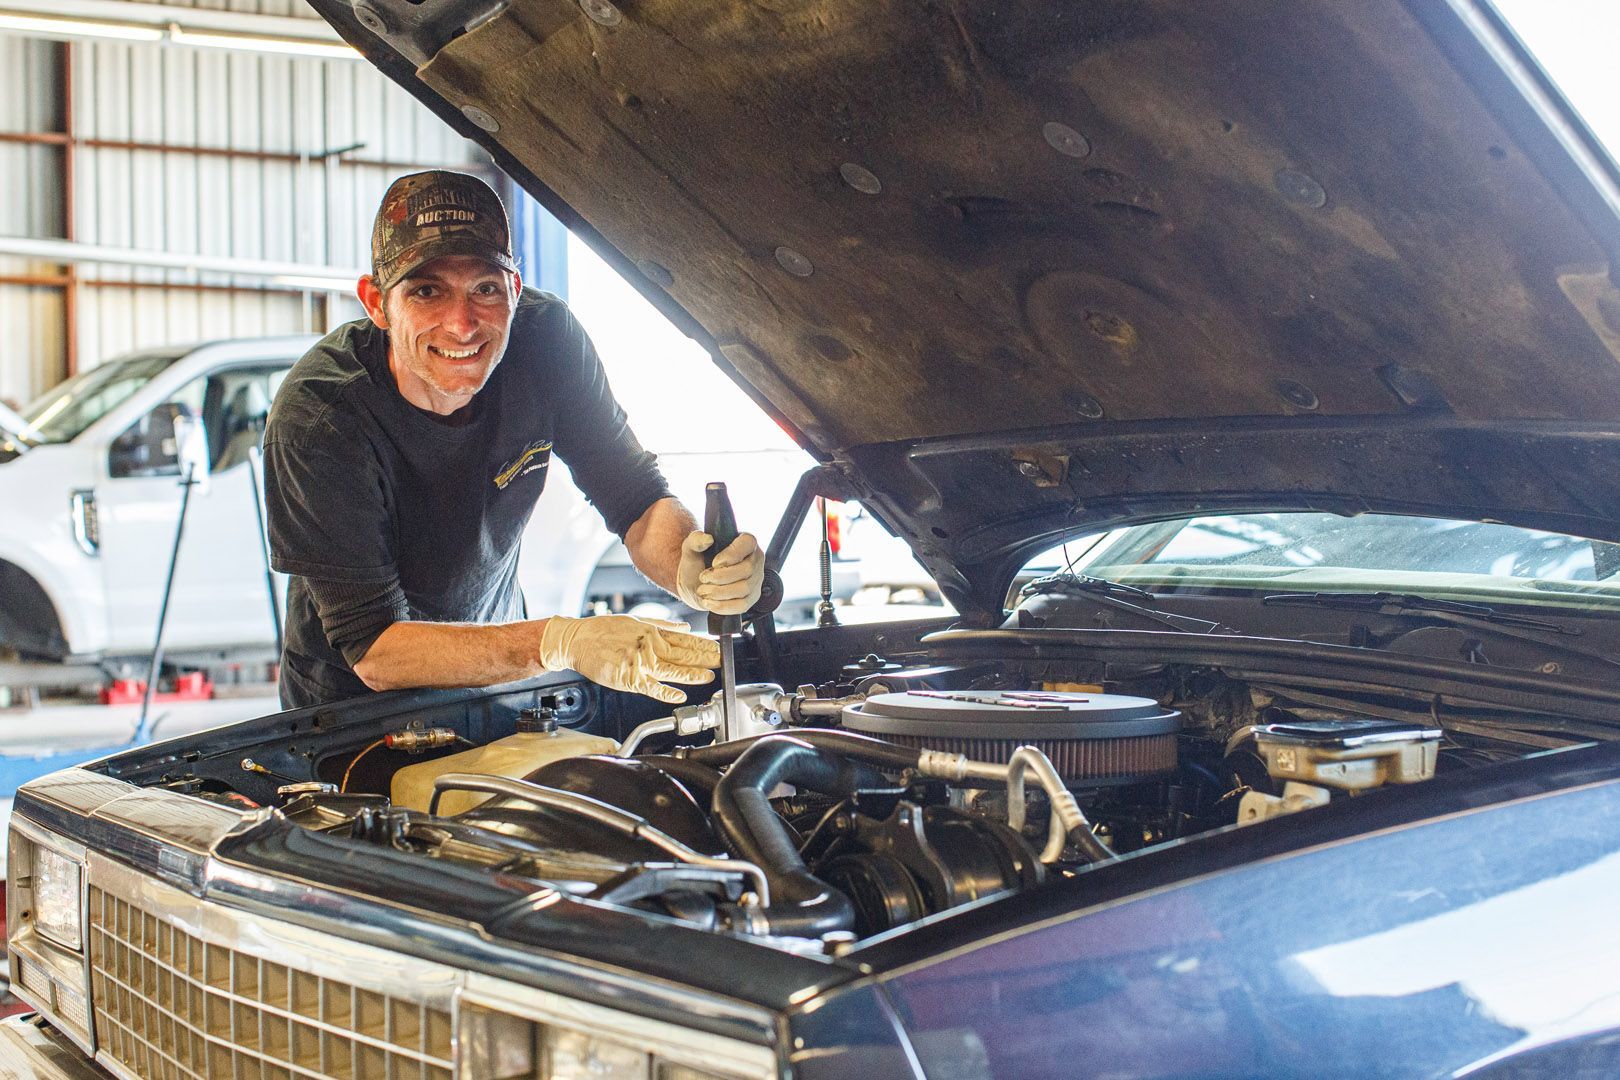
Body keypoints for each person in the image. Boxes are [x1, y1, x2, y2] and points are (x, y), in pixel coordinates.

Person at [262, 170, 764, 709]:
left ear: (515, 292)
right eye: (427, 291)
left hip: (498, 686)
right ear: (377, 303)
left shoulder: (544, 343)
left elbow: (636, 500)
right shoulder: (322, 418)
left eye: (485, 289)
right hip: (352, 719)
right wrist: (560, 641)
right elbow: (376, 649)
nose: (462, 324)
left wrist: (694, 573)